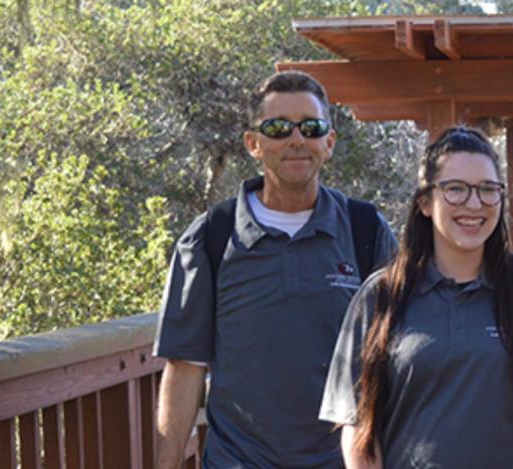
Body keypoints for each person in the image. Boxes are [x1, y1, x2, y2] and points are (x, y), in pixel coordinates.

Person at [153, 70, 398, 468]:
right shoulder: (211, 237)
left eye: (312, 127)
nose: (297, 139)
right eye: (279, 127)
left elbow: (398, 357)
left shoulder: (366, 231)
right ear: (253, 143)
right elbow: (184, 367)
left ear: (329, 142)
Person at [319, 127, 513, 469]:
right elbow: (358, 423)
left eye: (488, 190)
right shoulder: (382, 295)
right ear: (425, 202)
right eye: (455, 189)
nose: (474, 203)